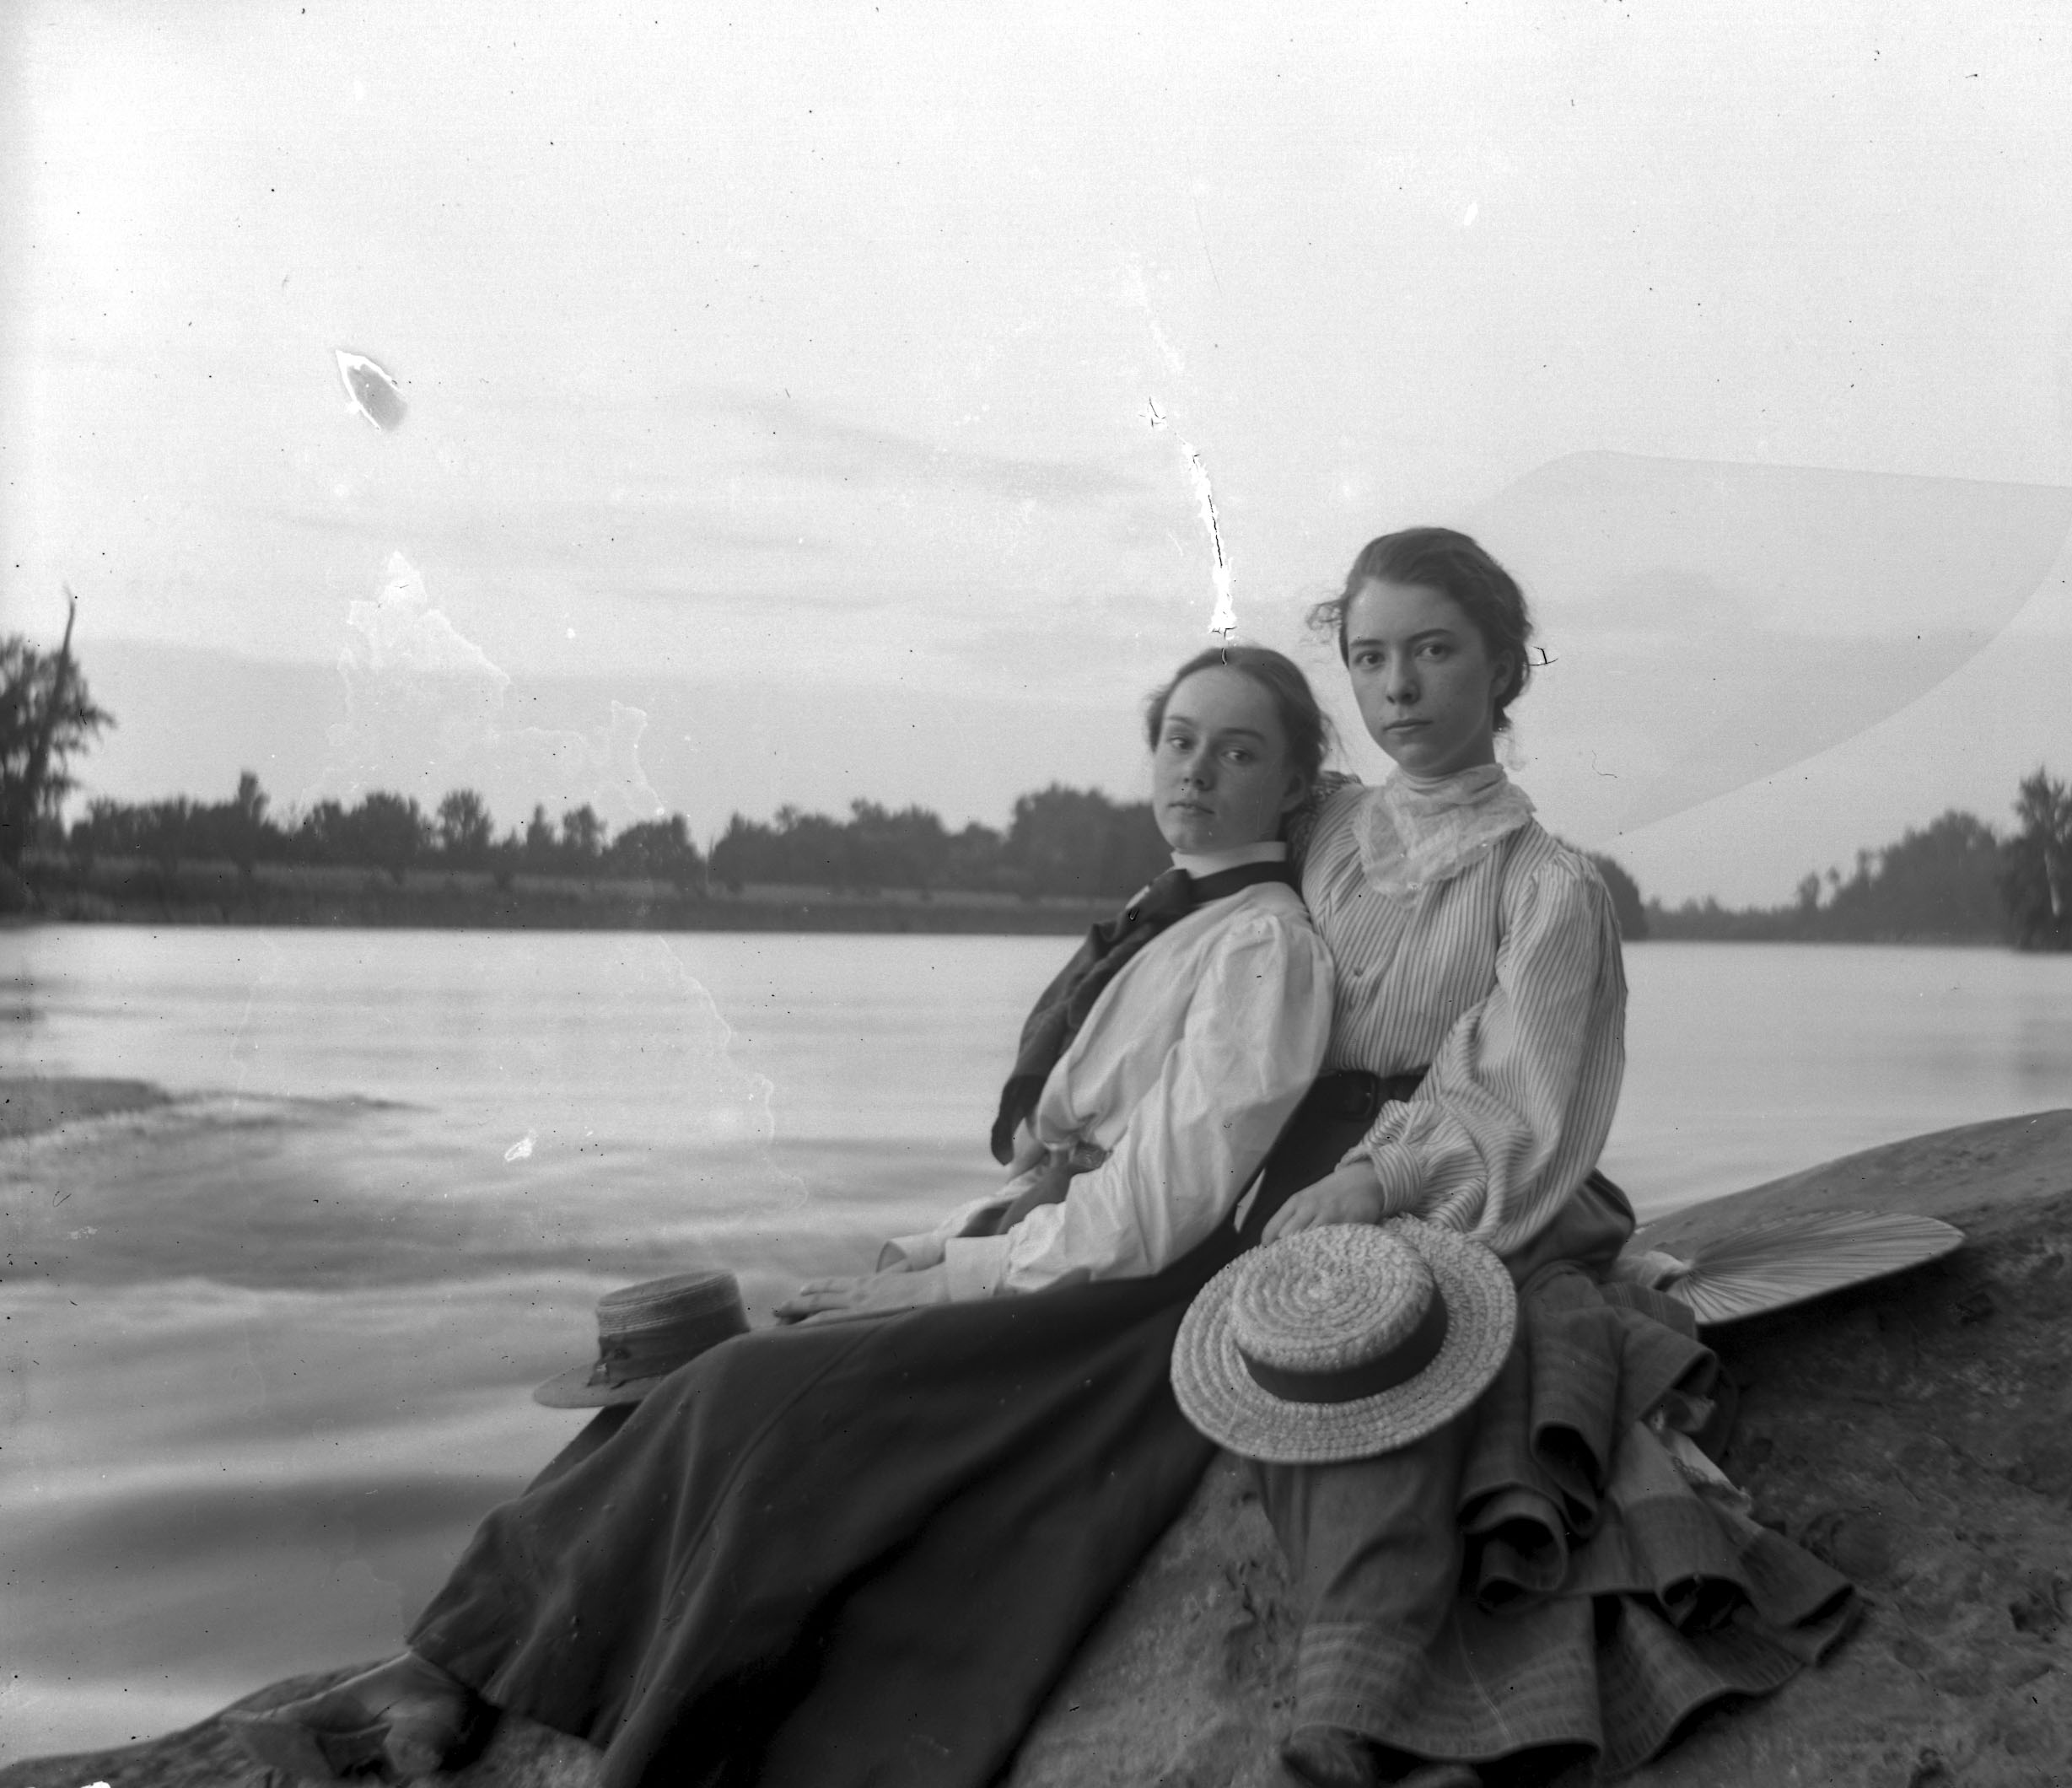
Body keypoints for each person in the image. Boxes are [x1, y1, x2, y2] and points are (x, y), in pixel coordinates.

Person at [229, 644, 1342, 1788]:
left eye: (1239, 751)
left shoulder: (1262, 945)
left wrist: (933, 1286)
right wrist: (926, 1249)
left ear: (1296, 785)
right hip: (1055, 1258)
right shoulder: (1161, 917)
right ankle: (439, 1677)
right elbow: (1064, 1165)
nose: (1198, 770)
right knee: (685, 1383)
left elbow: (1155, 1207)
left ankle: (475, 1687)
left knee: (745, 1393)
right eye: (1181, 739)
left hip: (1118, 1312)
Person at [1244, 527, 1854, 1788]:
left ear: (1503, 669)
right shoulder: (1323, 833)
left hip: (1492, 1184)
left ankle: (1367, 1719)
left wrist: (1384, 1179)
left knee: (1407, 1365)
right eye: (1368, 659)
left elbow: (1525, 1098)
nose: (1398, 688)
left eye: (1432, 651)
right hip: (1300, 1181)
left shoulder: (1548, 886)